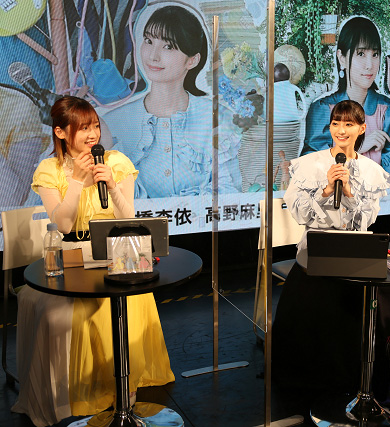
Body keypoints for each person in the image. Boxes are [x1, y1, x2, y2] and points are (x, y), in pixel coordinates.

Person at [273, 100, 390, 426]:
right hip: (317, 250)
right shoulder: (308, 164)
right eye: (336, 123)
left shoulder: (370, 170)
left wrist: (350, 192)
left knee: (387, 293)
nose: (341, 130)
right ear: (330, 127)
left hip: (355, 249)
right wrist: (326, 190)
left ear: (362, 128)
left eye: (349, 124)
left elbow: (365, 220)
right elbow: (299, 213)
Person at [11, 96, 174, 427]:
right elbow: (64, 225)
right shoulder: (49, 170)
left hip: (116, 254)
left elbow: (129, 218)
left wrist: (111, 185)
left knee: (131, 298)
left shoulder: (116, 162)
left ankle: (124, 388)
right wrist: (76, 181)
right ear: (60, 132)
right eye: (82, 128)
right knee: (84, 305)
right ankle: (88, 390)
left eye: (95, 126)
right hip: (74, 258)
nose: (92, 135)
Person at [103, 5, 241, 197]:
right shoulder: (114, 124)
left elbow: (231, 192)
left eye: (168, 46)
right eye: (149, 41)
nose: (153, 56)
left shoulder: (217, 118)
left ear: (192, 60)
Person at [300, 16, 390, 174]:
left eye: (375, 54)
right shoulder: (323, 109)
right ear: (342, 58)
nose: (369, 65)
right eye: (361, 54)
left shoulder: (389, 110)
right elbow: (311, 163)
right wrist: (356, 147)